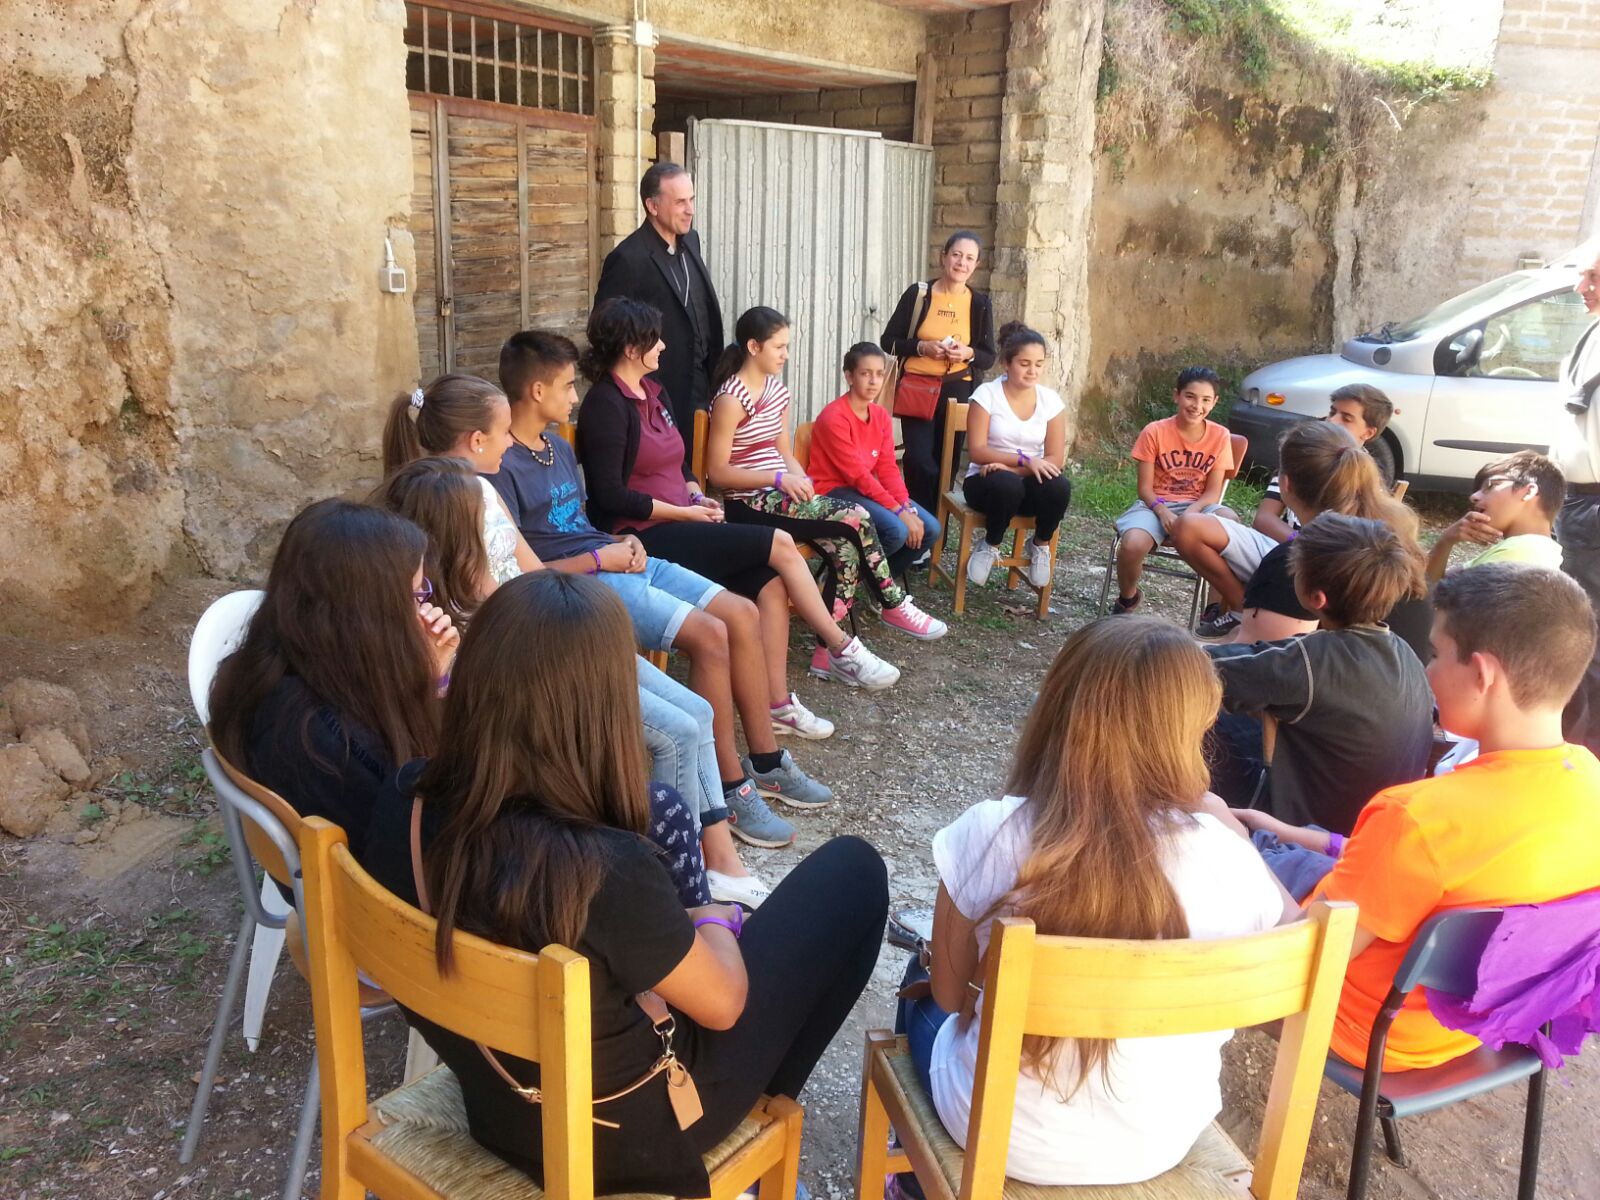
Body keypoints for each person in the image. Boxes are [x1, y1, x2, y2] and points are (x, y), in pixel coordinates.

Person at [362, 571, 889, 1197]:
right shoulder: (602, 867)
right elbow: (723, 1004)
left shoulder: (406, 798)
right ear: (606, 703)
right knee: (855, 871)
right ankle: (756, 1124)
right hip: (624, 1135)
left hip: (497, 1106)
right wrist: (710, 913)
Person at [893, 617, 1285, 1189]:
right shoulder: (1230, 859)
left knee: (920, 983)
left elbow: (953, 999)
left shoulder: (992, 832)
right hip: (1163, 1137)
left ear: (1059, 710)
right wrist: (1231, 828)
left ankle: (912, 1182)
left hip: (1004, 1137)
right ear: (1192, 727)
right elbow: (1293, 931)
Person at [1224, 564, 1600, 1072]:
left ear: (1483, 674)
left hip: (1361, 1027)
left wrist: (1229, 842)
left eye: (1436, 654)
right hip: (1466, 1027)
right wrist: (1288, 834)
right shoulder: (1590, 785)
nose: (1427, 672)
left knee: (1200, 852)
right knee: (1296, 842)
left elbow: (1303, 957)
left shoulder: (1419, 816)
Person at [371, 455, 770, 908]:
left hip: (558, 635)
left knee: (699, 710)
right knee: (675, 732)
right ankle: (682, 888)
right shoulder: (440, 621)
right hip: (543, 663)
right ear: (453, 543)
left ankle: (719, 859)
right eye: (482, 528)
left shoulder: (476, 493)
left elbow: (531, 574)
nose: (492, 531)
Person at [489, 329, 831, 844]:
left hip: (620, 556)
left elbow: (577, 522)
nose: (575, 396)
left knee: (742, 612)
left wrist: (620, 543)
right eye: (567, 386)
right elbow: (526, 571)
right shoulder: (500, 466)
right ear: (537, 391)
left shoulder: (557, 447)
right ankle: (729, 788)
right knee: (710, 634)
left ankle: (766, 762)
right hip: (584, 583)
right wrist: (602, 556)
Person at [574, 296, 903, 723]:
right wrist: (684, 513)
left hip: (685, 520)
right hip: (643, 534)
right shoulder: (606, 404)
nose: (664, 346)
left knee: (771, 583)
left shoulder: (654, 392)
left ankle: (778, 706)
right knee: (780, 543)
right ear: (631, 348)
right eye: (655, 339)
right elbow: (609, 496)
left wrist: (696, 496)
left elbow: (679, 464)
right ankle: (841, 646)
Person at [208, 500, 458, 862]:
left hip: (322, 867)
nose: (423, 609)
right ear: (371, 615)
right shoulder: (334, 741)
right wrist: (429, 686)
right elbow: (430, 814)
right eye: (416, 594)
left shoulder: (273, 669)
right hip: (375, 886)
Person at [705, 306, 949, 668]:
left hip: (781, 496)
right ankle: (892, 601)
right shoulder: (731, 399)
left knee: (845, 550)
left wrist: (799, 479)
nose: (786, 355)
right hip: (749, 502)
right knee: (857, 516)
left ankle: (826, 654)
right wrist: (777, 479)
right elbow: (717, 473)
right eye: (779, 347)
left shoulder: (777, 391)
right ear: (753, 347)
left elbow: (783, 452)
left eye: (787, 346)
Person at [1205, 513, 1433, 835]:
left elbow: (1198, 668)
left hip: (1303, 829)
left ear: (1316, 598)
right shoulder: (1404, 652)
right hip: (1371, 825)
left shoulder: (1312, 660)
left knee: (1184, 716)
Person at [1172, 384, 1396, 638]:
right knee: (1190, 527)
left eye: (1346, 418)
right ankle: (1240, 606)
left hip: (1328, 565)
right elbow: (1264, 518)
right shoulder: (1306, 454)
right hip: (1281, 548)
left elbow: (1359, 547)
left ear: (1369, 432)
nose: (1333, 420)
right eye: (1333, 411)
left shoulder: (1365, 478)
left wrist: (1313, 549)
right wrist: (1301, 542)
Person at [1220, 421, 1431, 659]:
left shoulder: (1304, 560)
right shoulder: (1393, 539)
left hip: (1349, 679)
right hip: (1409, 677)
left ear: (1285, 485)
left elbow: (1252, 662)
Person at [593, 162, 724, 443]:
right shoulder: (628, 258)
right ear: (652, 206)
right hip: (659, 391)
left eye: (691, 200)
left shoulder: (692, 241)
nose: (690, 210)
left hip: (704, 383)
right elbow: (605, 329)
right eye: (680, 202)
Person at [880, 232, 997, 513]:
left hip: (957, 388)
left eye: (969, 258)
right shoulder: (919, 294)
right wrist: (922, 347)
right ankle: (918, 521)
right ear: (943, 256)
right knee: (920, 461)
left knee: (947, 465)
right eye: (956, 255)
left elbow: (988, 356)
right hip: (917, 388)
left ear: (977, 264)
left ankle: (937, 529)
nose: (961, 263)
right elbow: (888, 341)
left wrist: (967, 353)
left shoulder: (980, 303)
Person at [807, 342, 943, 574]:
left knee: (931, 528)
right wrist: (898, 512)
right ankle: (841, 580)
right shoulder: (834, 417)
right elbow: (858, 475)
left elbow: (887, 467)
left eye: (879, 374)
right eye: (865, 374)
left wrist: (905, 506)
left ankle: (877, 584)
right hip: (833, 491)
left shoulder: (880, 415)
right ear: (849, 376)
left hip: (862, 489)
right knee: (896, 531)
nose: (873, 381)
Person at [1110, 367, 1234, 614]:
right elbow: (1144, 489)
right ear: (1176, 395)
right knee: (1132, 544)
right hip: (1155, 504)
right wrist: (1162, 511)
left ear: (1215, 402)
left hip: (1199, 505)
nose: (1197, 406)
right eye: (1190, 396)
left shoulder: (1220, 436)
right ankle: (1128, 598)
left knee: (1231, 525)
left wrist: (1192, 513)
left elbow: (1213, 492)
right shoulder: (1154, 431)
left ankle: (1214, 609)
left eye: (1206, 400)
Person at [959, 323, 1072, 589]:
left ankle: (1040, 544)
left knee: (1059, 486)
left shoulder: (1050, 401)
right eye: (1024, 364)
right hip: (987, 484)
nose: (1032, 371)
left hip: (1025, 482)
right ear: (1006, 364)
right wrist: (1024, 460)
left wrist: (1014, 469)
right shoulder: (986, 395)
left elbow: (1055, 459)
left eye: (1038, 364)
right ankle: (991, 543)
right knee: (1006, 485)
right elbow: (977, 451)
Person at [1553, 242, 1600, 751]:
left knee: (1588, 642)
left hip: (1594, 510)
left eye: (1593, 277)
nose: (1579, 287)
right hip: (1579, 506)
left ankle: (1582, 754)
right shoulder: (1593, 332)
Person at [1424, 450, 1565, 583]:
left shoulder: (1520, 554)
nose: (1474, 496)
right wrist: (1446, 540)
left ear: (1529, 492)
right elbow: (1435, 583)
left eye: (1491, 485)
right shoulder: (1539, 550)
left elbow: (1427, 592)